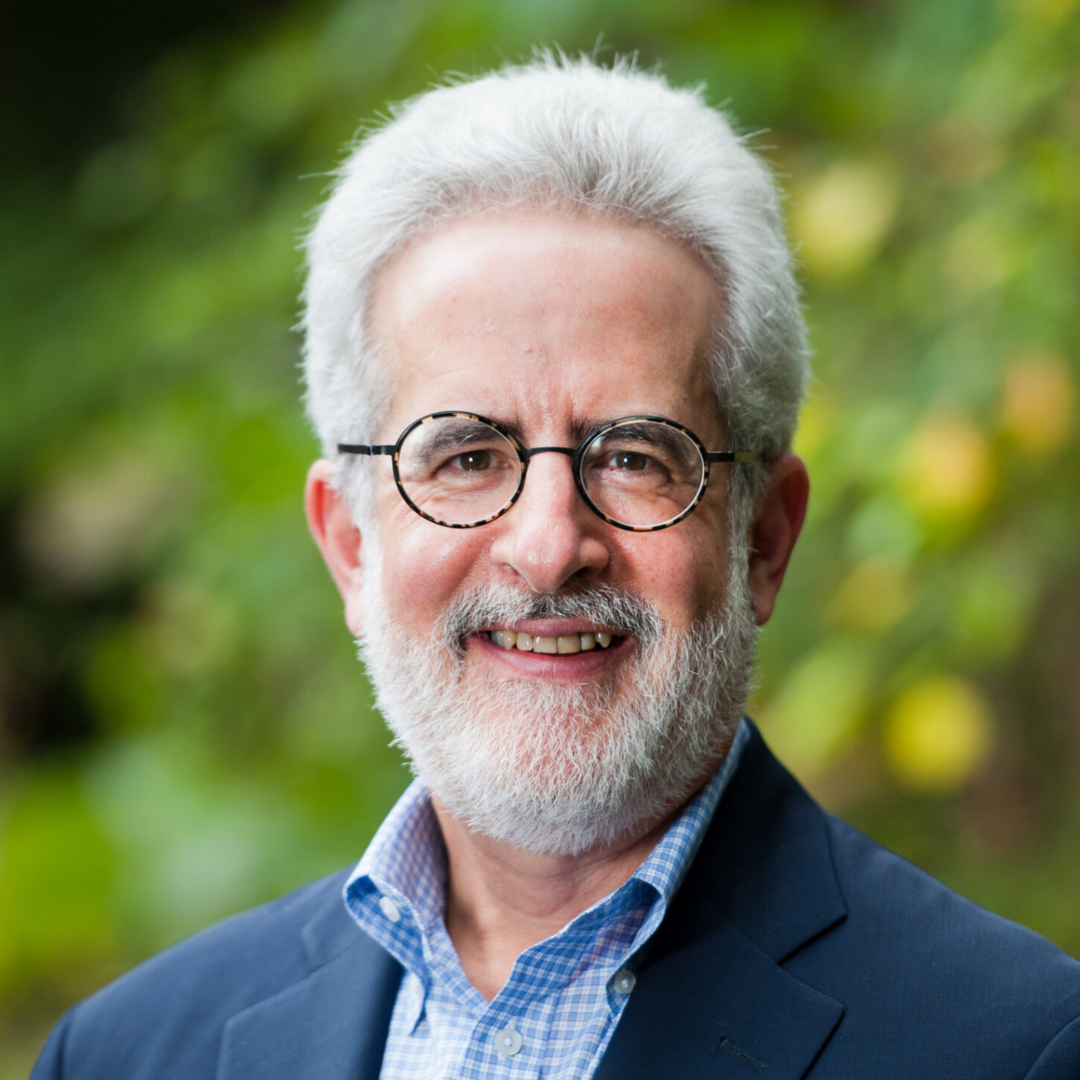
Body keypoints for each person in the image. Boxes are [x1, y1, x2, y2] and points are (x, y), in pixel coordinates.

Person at [31, 55, 1080, 1080]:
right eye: (465, 456)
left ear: (763, 539)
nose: (545, 548)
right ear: (350, 544)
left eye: (634, 456)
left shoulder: (1017, 1049)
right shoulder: (125, 1055)